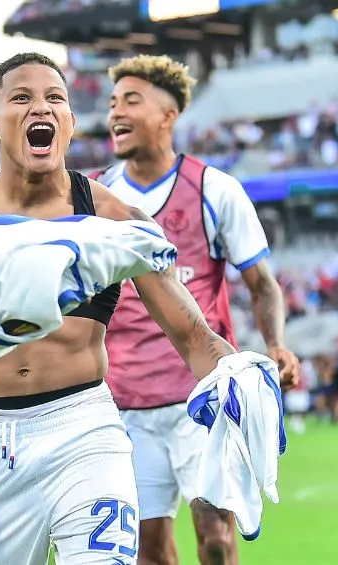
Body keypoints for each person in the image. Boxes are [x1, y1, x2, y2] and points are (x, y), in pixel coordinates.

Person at [0, 52, 239, 565]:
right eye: (21, 97)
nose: (40, 107)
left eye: (55, 99)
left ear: (67, 123)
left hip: (84, 428)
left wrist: (239, 372)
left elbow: (193, 336)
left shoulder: (116, 220)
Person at [90, 54, 301, 565]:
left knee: (216, 540)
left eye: (132, 101)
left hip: (200, 400)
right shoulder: (91, 195)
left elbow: (262, 284)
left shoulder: (214, 189)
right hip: (123, 402)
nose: (116, 112)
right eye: (114, 102)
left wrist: (275, 344)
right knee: (150, 553)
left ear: (168, 115)